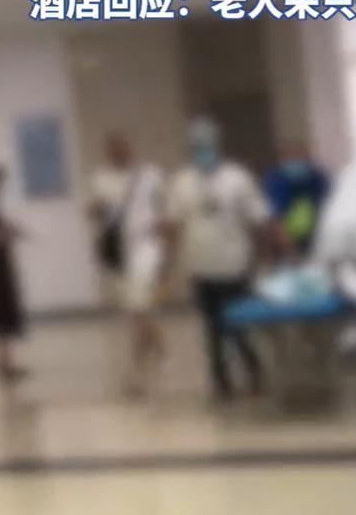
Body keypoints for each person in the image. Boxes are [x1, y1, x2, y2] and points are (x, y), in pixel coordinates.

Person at [167, 118, 272, 400]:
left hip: (234, 266)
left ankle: (254, 371)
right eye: (197, 147)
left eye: (207, 146)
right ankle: (220, 382)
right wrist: (167, 264)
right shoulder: (182, 182)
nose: (202, 151)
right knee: (211, 329)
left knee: (237, 326)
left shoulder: (237, 178)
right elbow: (173, 224)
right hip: (200, 267)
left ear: (218, 146)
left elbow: (258, 218)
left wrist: (264, 256)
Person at [88, 132, 166, 396]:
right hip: (118, 252)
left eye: (122, 148)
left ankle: (137, 375)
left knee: (139, 308)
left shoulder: (149, 175)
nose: (119, 153)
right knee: (137, 312)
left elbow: (163, 208)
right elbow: (97, 214)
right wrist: (96, 210)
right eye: (113, 150)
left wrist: (164, 243)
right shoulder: (101, 179)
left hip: (146, 248)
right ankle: (157, 345)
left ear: (130, 149)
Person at [0, 168, 28, 382]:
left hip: (0, 267)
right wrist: (8, 234)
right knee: (0, 314)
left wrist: (12, 230)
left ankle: (5, 362)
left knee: (5, 314)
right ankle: (4, 364)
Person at [263, 143, 330, 256]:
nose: (296, 162)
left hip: (318, 238)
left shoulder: (318, 178)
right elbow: (275, 217)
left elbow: (327, 208)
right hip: (288, 242)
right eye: (291, 157)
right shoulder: (276, 181)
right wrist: (288, 248)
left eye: (299, 157)